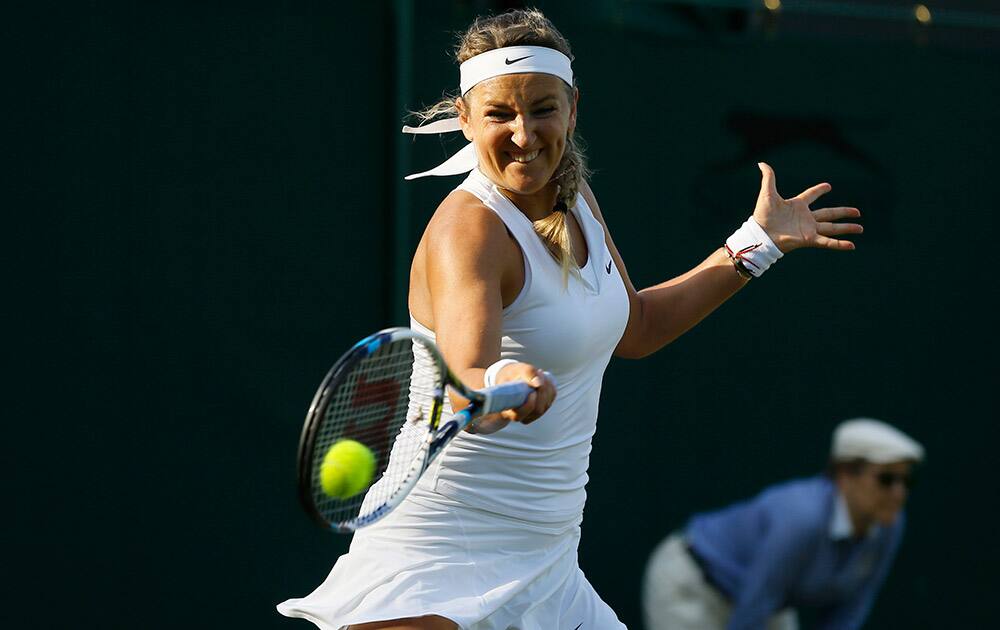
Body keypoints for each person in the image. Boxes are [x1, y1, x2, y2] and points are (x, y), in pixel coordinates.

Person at [278, 8, 862, 629]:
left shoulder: (575, 197)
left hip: (549, 558)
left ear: (572, 110)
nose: (525, 135)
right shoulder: (468, 231)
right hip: (440, 550)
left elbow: (633, 328)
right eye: (500, 113)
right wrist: (503, 387)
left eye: (542, 109)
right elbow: (464, 374)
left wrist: (756, 245)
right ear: (465, 119)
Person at [642, 418, 924, 630]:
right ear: (844, 475)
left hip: (760, 600)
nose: (898, 493)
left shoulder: (889, 526)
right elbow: (755, 606)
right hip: (692, 583)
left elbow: (849, 611)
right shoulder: (802, 520)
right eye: (886, 480)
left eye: (906, 481)